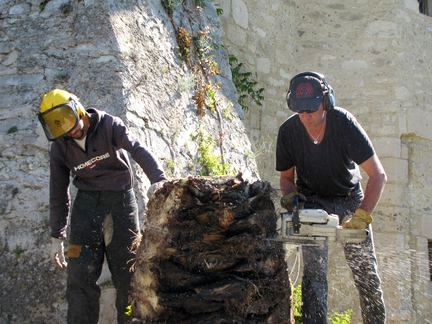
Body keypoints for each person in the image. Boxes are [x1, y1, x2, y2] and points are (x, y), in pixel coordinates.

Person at [38, 89, 167, 324]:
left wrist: (158, 180)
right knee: (79, 277)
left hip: (120, 202)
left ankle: (129, 320)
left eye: (71, 122)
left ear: (77, 108)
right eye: (62, 128)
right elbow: (58, 191)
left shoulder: (109, 125)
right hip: (86, 207)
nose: (71, 131)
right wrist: (57, 235)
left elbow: (137, 148)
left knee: (127, 275)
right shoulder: (60, 147)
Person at [276, 72, 387, 324]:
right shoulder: (288, 132)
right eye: (299, 111)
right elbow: (286, 178)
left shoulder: (344, 124)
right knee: (314, 277)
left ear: (326, 102)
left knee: (366, 275)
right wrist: (293, 204)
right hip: (312, 200)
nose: (305, 117)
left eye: (311, 110)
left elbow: (378, 175)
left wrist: (361, 216)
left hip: (349, 199)